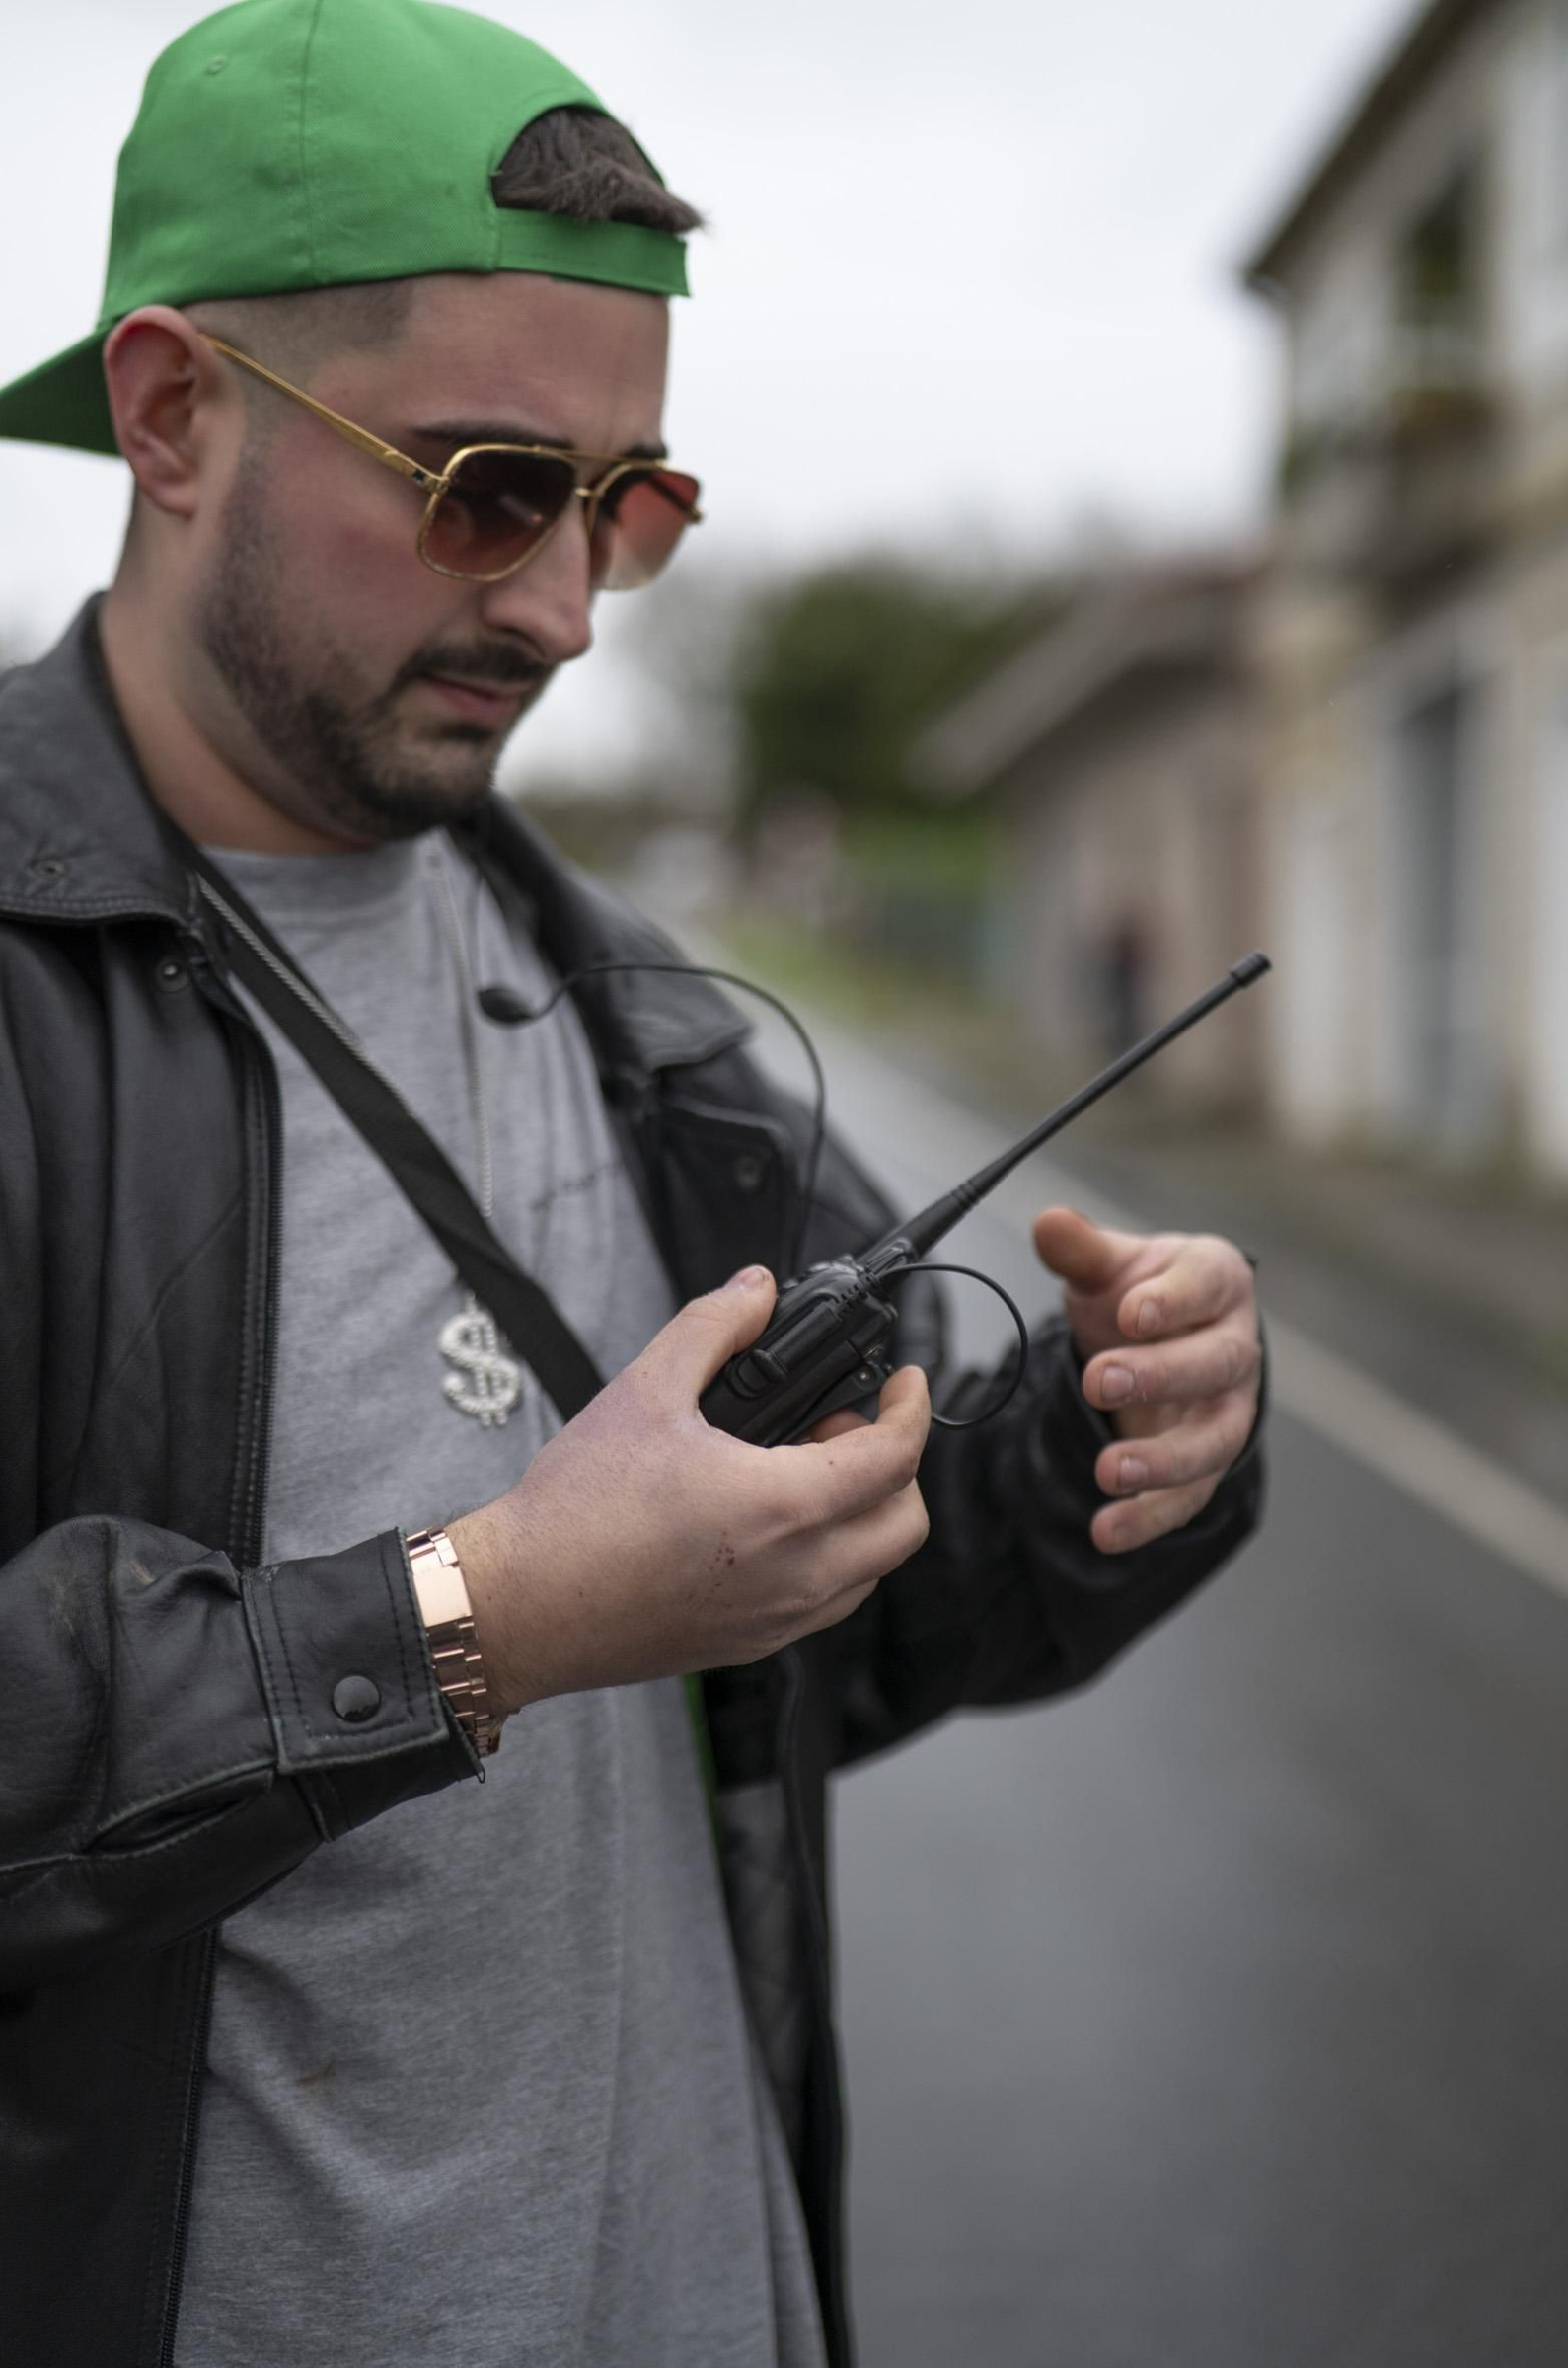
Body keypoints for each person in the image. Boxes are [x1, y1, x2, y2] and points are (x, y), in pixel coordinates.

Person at [0, 5, 1266, 2363]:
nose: (568, 608)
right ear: (171, 414)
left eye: (632, 504)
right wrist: (484, 1614)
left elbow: (835, 1632)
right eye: (487, 483)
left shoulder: (641, 1019)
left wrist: (1112, 1441)